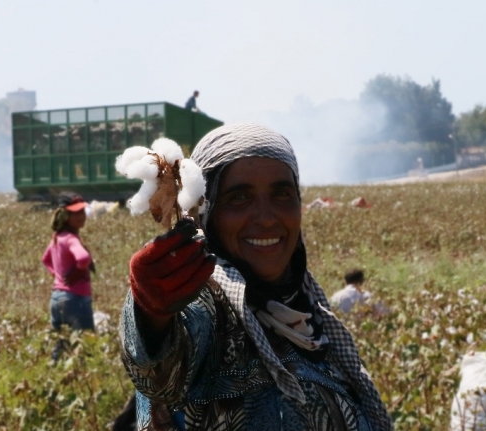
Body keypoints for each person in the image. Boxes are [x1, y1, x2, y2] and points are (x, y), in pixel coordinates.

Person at [119, 124, 392, 430]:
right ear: (206, 213)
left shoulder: (308, 311)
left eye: (282, 193)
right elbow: (161, 367)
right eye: (239, 198)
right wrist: (150, 313)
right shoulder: (206, 304)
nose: (266, 217)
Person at [41, 191, 95, 361]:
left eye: (82, 212)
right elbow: (83, 258)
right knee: (85, 342)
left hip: (57, 299)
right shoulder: (71, 238)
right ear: (65, 215)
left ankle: (54, 372)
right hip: (76, 300)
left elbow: (46, 259)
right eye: (76, 213)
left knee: (62, 344)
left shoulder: (57, 237)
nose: (82, 216)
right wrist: (79, 270)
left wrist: (57, 276)